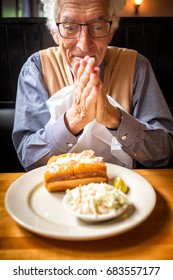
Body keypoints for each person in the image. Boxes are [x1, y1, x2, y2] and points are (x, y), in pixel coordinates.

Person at [13, 0, 173, 171]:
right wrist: (75, 118)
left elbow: (164, 155)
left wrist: (114, 118)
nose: (84, 44)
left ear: (110, 32)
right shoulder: (36, 68)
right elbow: (29, 159)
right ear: (55, 33)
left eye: (97, 27)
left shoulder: (137, 65)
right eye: (70, 27)